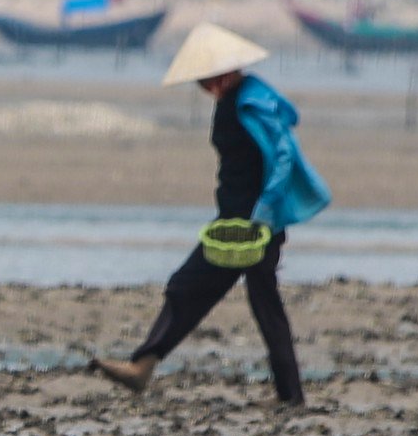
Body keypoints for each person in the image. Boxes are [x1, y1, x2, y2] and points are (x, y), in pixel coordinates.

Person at [90, 22, 330, 406]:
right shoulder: (235, 99)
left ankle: (143, 366)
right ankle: (289, 395)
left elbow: (283, 154)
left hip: (250, 227)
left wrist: (265, 213)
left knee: (190, 289)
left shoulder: (252, 101)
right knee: (250, 302)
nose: (208, 88)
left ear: (228, 71)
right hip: (232, 221)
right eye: (202, 82)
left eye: (211, 79)